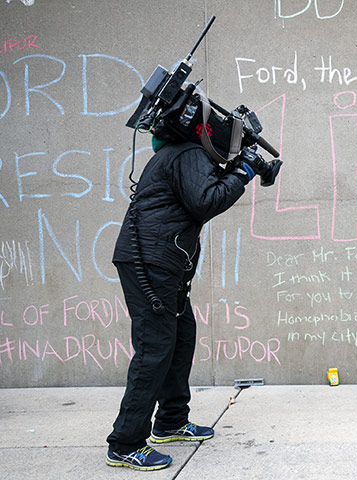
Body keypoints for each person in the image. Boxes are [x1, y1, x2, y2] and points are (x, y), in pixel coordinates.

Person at [105, 131, 259, 471]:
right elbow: (206, 201)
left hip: (162, 261)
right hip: (151, 261)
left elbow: (201, 192)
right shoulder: (188, 153)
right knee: (154, 348)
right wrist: (243, 173)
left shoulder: (185, 154)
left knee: (182, 336)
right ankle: (125, 443)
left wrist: (238, 169)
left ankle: (171, 422)